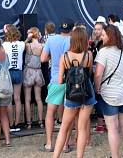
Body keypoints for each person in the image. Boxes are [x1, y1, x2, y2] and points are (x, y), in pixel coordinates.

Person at [52, 26, 96, 158]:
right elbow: (89, 74)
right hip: (87, 93)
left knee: (64, 128)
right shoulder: (89, 55)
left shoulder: (64, 56)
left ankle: (55, 156)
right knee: (82, 128)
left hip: (71, 94)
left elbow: (60, 80)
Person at [94, 24, 123, 158]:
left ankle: (115, 156)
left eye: (104, 35)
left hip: (110, 94)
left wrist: (97, 88)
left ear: (110, 36)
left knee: (112, 128)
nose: (101, 36)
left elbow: (98, 74)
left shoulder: (104, 52)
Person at [41, 19, 72, 151]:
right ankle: (65, 145)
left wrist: (53, 58)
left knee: (50, 112)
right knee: (68, 112)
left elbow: (42, 58)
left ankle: (49, 143)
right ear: (71, 29)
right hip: (71, 80)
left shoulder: (51, 40)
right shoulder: (74, 40)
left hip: (55, 79)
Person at [2, 26, 25, 130]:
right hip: (18, 72)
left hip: (8, 72)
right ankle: (17, 122)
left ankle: (11, 124)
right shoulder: (21, 44)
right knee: (17, 98)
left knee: (9, 99)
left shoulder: (4, 45)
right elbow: (25, 42)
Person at [22, 27, 45, 130]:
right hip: (38, 71)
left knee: (27, 99)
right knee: (38, 98)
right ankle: (40, 122)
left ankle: (29, 123)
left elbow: (21, 45)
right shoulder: (42, 46)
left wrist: (27, 38)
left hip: (29, 72)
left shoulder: (27, 45)